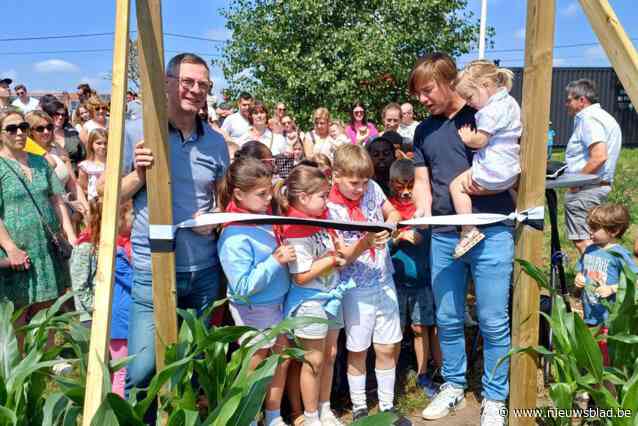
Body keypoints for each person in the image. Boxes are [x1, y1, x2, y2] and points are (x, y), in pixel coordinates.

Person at [409, 52, 515, 425]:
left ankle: (495, 396)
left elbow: (513, 167)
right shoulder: (422, 131)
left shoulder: (483, 114)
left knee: (492, 319)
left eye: (427, 90)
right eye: (418, 93)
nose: (422, 100)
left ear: (448, 80)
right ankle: (453, 385)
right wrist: (419, 216)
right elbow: (423, 182)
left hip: (492, 231)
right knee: (449, 317)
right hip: (443, 235)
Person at [121, 53, 230, 409]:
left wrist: (213, 222)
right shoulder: (138, 131)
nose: (195, 90)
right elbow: (107, 195)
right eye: (187, 81)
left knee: (196, 364)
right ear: (167, 82)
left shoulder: (215, 142)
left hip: (203, 270)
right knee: (142, 368)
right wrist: (139, 175)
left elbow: (224, 200)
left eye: (203, 84)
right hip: (153, 267)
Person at [326, 144, 404, 421]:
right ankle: (359, 407)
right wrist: (367, 241)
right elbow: (342, 257)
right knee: (357, 349)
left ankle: (387, 406)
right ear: (336, 175)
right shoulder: (330, 207)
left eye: (364, 182)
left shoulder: (372, 188)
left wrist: (390, 225)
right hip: (354, 288)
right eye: (354, 183)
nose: (360, 189)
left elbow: (391, 211)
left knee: (386, 346)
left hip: (383, 279)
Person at [217, 157, 293, 426]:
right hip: (253, 309)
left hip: (277, 302)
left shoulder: (259, 218)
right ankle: (249, 415)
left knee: (279, 360)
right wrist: (276, 261)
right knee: (257, 362)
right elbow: (242, 287)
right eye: (261, 194)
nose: (268, 198)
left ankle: (273, 415)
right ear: (239, 194)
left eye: (269, 190)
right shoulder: (233, 235)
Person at [276, 165, 349, 426]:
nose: (326, 200)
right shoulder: (295, 229)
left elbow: (334, 250)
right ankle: (310, 415)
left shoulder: (321, 219)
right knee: (313, 360)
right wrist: (332, 259)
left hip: (332, 295)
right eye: (322, 196)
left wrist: (339, 252)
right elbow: (301, 275)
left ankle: (324, 407)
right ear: (304, 198)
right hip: (310, 301)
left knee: (329, 356)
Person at [0, 109, 75, 343]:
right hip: (17, 252)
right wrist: (11, 248)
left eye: (23, 127)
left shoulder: (40, 162)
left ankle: (48, 359)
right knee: (18, 312)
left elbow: (56, 199)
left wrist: (70, 235)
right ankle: (20, 369)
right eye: (11, 129)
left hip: (46, 248)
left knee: (48, 308)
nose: (19, 133)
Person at [448, 60, 522, 258]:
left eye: (470, 97)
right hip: (510, 171)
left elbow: (481, 140)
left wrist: (468, 138)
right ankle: (518, 212)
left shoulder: (489, 111)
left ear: (486, 86)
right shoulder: (511, 103)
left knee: (457, 186)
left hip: (493, 170)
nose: (469, 103)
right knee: (507, 187)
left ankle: (468, 229)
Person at [387, 159, 440, 398]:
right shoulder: (388, 209)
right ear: (391, 185)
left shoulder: (423, 208)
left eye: (410, 185)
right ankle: (392, 375)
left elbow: (421, 238)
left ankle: (423, 373)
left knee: (420, 328)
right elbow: (384, 242)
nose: (406, 192)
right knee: (395, 331)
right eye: (401, 186)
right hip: (396, 283)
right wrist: (395, 238)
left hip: (422, 281)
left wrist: (407, 234)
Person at [70, 198, 133, 397]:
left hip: (114, 313)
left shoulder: (123, 245)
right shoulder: (86, 247)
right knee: (100, 369)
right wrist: (97, 309)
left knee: (116, 367)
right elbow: (80, 286)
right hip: (94, 315)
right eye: (131, 214)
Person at [564, 78, 622, 255]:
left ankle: (595, 281)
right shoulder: (604, 117)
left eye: (569, 99)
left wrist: (577, 182)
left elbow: (599, 156)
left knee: (585, 241)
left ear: (582, 100)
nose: (566, 104)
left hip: (586, 189)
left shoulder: (588, 119)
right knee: (596, 240)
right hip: (596, 187)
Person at [26, 111, 89, 219]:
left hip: (68, 212)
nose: (46, 131)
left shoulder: (57, 148)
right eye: (40, 129)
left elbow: (73, 184)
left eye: (49, 127)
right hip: (45, 214)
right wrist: (68, 204)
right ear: (30, 131)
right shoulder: (26, 155)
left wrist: (86, 210)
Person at [41, 100, 85, 171]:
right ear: (50, 114)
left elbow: (82, 156)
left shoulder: (72, 134)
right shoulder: (41, 135)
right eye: (57, 114)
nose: (60, 117)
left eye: (63, 115)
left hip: (74, 175)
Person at [78, 128, 107, 200]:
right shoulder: (86, 166)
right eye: (99, 143)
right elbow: (84, 188)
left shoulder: (113, 165)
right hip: (94, 203)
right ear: (91, 144)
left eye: (105, 143)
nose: (103, 146)